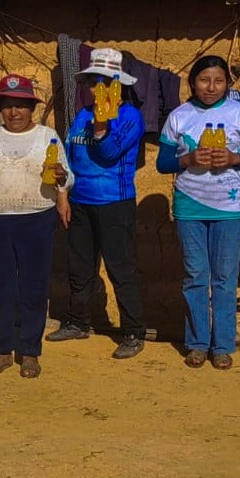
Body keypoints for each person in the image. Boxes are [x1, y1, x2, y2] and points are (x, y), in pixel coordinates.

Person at [158, 55, 240, 370]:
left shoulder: (239, 113)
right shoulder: (179, 116)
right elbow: (163, 163)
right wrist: (188, 159)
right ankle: (196, 344)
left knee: (224, 278)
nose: (211, 87)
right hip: (189, 207)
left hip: (229, 209)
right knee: (195, 276)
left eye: (219, 81)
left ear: (227, 84)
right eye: (204, 80)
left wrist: (234, 159)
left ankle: (222, 346)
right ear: (193, 82)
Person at [0, 74, 70, 378]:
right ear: (1, 109)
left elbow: (65, 176)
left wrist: (61, 181)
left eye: (21, 106)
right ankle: (2, 350)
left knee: (34, 287)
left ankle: (30, 352)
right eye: (8, 106)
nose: (14, 113)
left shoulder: (47, 136)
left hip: (36, 218)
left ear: (31, 108)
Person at [47, 47, 148, 360]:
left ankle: (134, 332)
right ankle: (78, 322)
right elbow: (69, 157)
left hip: (114, 203)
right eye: (92, 82)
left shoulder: (130, 117)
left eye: (104, 83)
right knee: (79, 267)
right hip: (80, 201)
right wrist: (63, 194)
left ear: (119, 86)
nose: (96, 88)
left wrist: (103, 125)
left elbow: (108, 153)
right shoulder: (82, 116)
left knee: (121, 268)